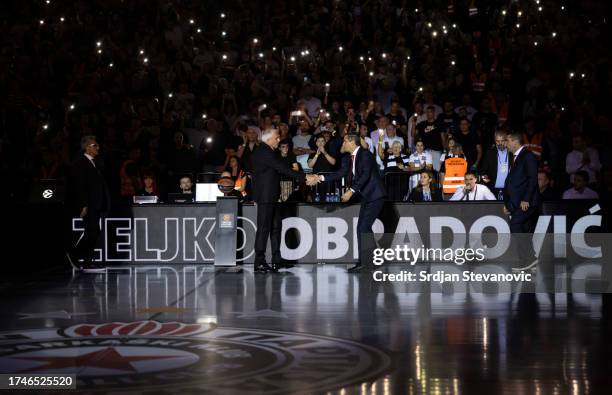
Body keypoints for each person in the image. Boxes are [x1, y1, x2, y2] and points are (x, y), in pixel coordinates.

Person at [251, 129, 319, 272]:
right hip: (265, 196)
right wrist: (305, 177)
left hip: (273, 196)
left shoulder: (269, 151)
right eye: (276, 138)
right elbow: (282, 168)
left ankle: (277, 258)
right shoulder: (263, 151)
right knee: (264, 228)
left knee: (276, 227)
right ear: (268, 139)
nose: (278, 140)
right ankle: (259, 261)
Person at [316, 133, 386, 272]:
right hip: (367, 197)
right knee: (363, 228)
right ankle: (374, 260)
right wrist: (320, 178)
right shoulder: (348, 157)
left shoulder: (365, 154)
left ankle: (366, 263)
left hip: (375, 196)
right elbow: (340, 173)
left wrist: (351, 191)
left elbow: (366, 174)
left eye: (344, 141)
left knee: (363, 228)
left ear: (351, 142)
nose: (342, 144)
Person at [66, 136, 110, 272]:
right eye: (95, 145)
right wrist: (83, 205)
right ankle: (75, 254)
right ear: (87, 147)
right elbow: (80, 186)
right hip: (88, 205)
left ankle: (86, 261)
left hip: (95, 204)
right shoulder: (80, 163)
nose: (98, 147)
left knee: (94, 231)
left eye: (97, 145)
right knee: (93, 231)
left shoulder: (94, 162)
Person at [503, 131, 541, 271]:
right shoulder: (515, 157)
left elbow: (532, 179)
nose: (505, 144)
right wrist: (508, 203)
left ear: (514, 140)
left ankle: (530, 258)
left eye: (507, 141)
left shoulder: (528, 156)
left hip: (527, 202)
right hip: (516, 202)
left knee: (516, 224)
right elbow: (512, 181)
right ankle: (528, 262)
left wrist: (526, 199)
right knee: (523, 229)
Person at [480, 130, 510, 199]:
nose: (500, 143)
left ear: (506, 140)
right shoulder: (490, 153)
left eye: (502, 141)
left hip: (509, 190)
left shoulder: (511, 153)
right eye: (497, 141)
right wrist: (484, 178)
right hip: (492, 190)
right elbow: (482, 172)